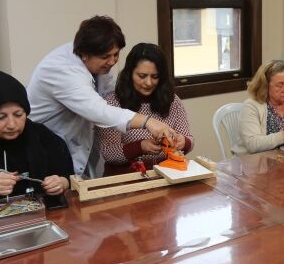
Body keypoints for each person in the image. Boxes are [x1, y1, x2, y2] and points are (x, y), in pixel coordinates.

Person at [27, 16, 179, 177]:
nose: (112, 61)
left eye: (116, 54)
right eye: (106, 57)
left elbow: (109, 99)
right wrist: (148, 122)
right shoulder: (63, 70)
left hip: (75, 144)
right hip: (45, 144)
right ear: (85, 54)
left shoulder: (96, 64)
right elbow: (99, 110)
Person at [0, 67, 74, 206]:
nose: (12, 124)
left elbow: (69, 175)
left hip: (44, 212)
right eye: (1, 117)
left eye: (18, 114)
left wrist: (61, 183)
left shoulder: (41, 135)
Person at [98, 43, 194, 175]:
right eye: (142, 76)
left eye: (155, 77)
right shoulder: (113, 103)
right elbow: (109, 153)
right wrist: (140, 147)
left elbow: (189, 139)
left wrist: (183, 142)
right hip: (126, 177)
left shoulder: (172, 100)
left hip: (166, 173)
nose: (149, 83)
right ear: (130, 74)